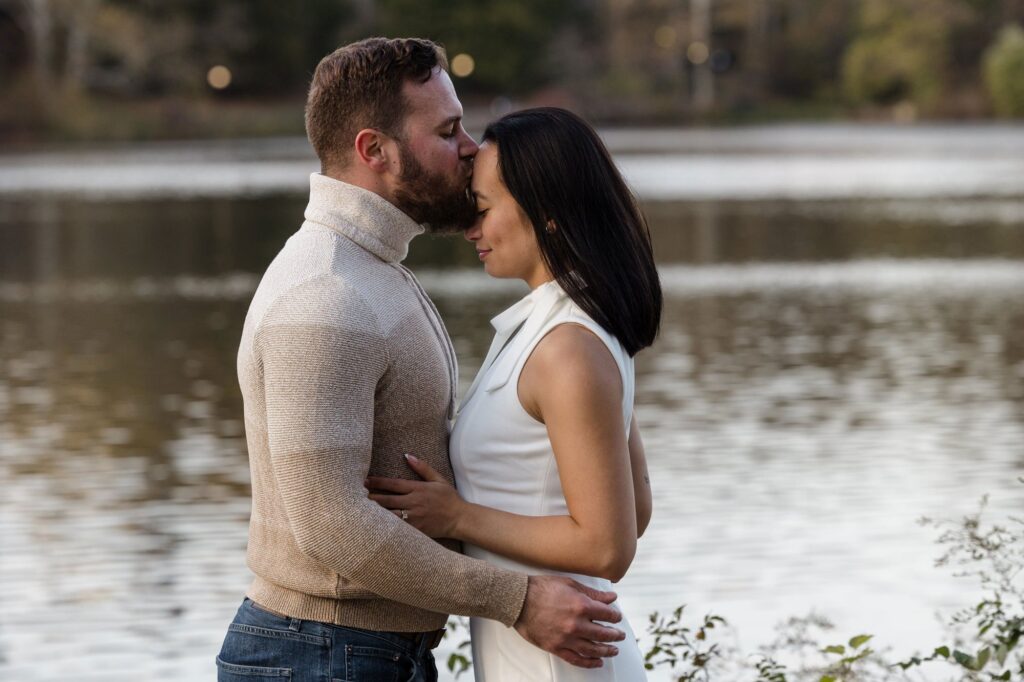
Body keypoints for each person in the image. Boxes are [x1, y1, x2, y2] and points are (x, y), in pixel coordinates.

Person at [215, 39, 626, 682]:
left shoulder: (373, 270)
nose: (469, 147)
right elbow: (331, 524)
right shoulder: (327, 292)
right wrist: (515, 600)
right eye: (447, 130)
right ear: (373, 150)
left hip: (358, 654)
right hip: (320, 654)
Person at [366, 107, 662, 680]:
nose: (471, 229)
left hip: (559, 661)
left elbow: (609, 546)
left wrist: (458, 517)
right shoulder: (562, 327)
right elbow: (637, 506)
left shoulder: (568, 347)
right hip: (543, 649)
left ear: (547, 215)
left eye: (481, 209)